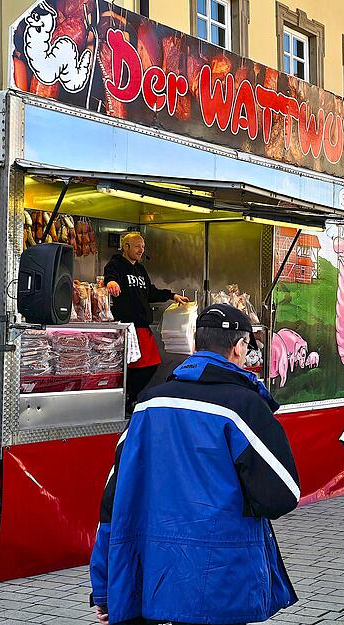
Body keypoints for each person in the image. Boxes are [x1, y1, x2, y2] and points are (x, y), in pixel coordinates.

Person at [89, 304, 300, 625]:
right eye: (247, 347)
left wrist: (104, 588)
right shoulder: (244, 406)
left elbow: (112, 502)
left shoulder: (148, 404)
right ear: (239, 346)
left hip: (153, 578)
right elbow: (282, 495)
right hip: (221, 582)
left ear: (195, 344)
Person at [104, 232, 189, 413]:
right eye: (137, 246)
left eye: (142, 247)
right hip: (127, 326)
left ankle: (130, 398)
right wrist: (111, 283)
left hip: (143, 326)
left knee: (150, 365)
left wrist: (172, 296)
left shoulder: (141, 270)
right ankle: (125, 401)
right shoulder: (115, 265)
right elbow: (109, 277)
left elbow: (151, 292)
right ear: (126, 247)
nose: (141, 250)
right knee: (130, 367)